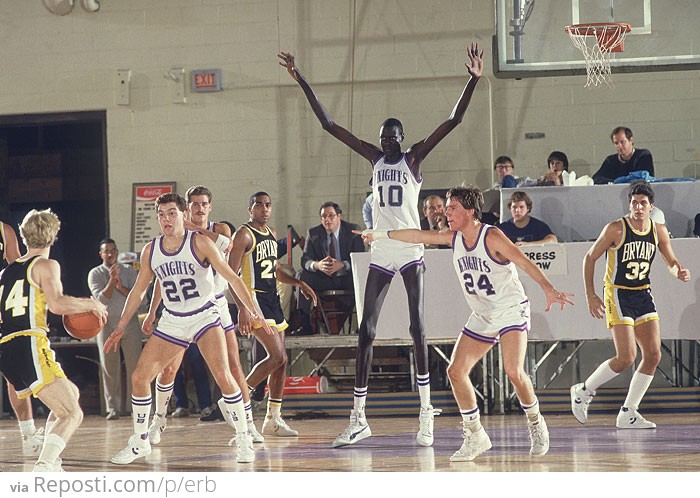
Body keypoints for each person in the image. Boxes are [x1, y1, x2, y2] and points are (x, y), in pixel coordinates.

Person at [279, 41, 483, 448]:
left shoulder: (413, 159)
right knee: (366, 331)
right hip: (382, 251)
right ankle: (358, 417)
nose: (386, 142)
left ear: (402, 138)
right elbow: (330, 126)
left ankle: (426, 411)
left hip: (410, 250)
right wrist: (301, 80)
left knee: (418, 327)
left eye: (391, 137)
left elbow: (453, 120)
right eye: (382, 138)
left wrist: (472, 80)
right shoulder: (373, 158)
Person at [358, 185, 573, 461]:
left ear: (470, 211)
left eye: (452, 208)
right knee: (456, 371)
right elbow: (417, 235)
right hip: (483, 314)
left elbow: (524, 261)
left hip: (509, 310)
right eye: (446, 208)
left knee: (513, 371)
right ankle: (475, 434)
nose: (446, 212)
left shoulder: (492, 236)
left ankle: (535, 422)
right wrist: (378, 234)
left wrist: (548, 288)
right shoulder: (453, 237)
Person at [104, 193, 273, 465]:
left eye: (172, 213)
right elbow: (139, 290)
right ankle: (140, 440)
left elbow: (232, 277)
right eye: (161, 214)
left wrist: (253, 311)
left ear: (183, 215)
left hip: (204, 316)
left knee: (223, 375)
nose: (166, 219)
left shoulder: (201, 242)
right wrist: (121, 325)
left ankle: (243, 437)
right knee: (139, 377)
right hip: (173, 319)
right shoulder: (152, 249)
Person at [141, 185, 264, 444]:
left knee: (231, 367)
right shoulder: (172, 238)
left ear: (210, 207)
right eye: (193, 204)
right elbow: (163, 281)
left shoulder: (217, 231)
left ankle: (248, 426)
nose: (198, 209)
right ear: (188, 206)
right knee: (169, 369)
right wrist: (153, 311)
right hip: (182, 309)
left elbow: (228, 254)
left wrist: (246, 308)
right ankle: (158, 420)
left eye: (202, 204)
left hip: (215, 306)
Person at [571, 181, 690, 429]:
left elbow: (670, 260)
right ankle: (583, 391)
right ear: (630, 205)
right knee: (626, 357)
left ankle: (628, 412)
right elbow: (589, 258)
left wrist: (677, 271)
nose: (638, 207)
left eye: (643, 203)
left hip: (642, 293)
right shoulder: (616, 228)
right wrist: (590, 295)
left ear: (651, 206)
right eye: (634, 203)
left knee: (653, 354)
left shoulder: (659, 231)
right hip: (617, 293)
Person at [0, 209, 108, 472]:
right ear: (53, 236)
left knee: (71, 394)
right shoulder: (46, 265)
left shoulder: (5, 272)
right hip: (29, 343)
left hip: (6, 347)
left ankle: (48, 453)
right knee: (72, 413)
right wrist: (90, 304)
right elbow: (57, 304)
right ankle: (45, 465)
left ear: (24, 235)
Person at [228, 191, 317, 437]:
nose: (264, 209)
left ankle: (273, 419)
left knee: (282, 362)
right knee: (276, 356)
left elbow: (274, 269)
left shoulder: (272, 233)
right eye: (258, 205)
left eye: (268, 205)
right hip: (254, 299)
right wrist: (242, 309)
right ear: (250, 209)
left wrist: (298, 283)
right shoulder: (243, 234)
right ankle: (234, 398)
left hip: (272, 299)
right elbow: (231, 276)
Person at [1, 220, 45, 456]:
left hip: (3, 310)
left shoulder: (5, 231)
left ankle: (28, 435)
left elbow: (15, 269)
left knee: (12, 375)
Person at [87, 238, 144, 421]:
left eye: (113, 250)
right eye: (107, 251)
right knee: (109, 367)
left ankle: (134, 406)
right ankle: (113, 408)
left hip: (130, 323)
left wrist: (120, 286)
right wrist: (111, 282)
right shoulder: (95, 273)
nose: (110, 254)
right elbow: (101, 300)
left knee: (135, 366)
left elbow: (139, 298)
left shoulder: (128, 271)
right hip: (106, 324)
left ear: (117, 252)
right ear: (101, 254)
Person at [295, 201, 365, 334]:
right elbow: (305, 260)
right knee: (301, 276)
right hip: (324, 279)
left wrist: (343, 265)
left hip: (346, 279)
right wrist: (317, 265)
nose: (327, 220)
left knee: (364, 276)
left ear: (339, 216)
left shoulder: (353, 231)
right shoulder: (314, 233)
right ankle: (305, 325)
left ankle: (363, 325)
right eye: (323, 217)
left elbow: (360, 258)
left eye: (331, 216)